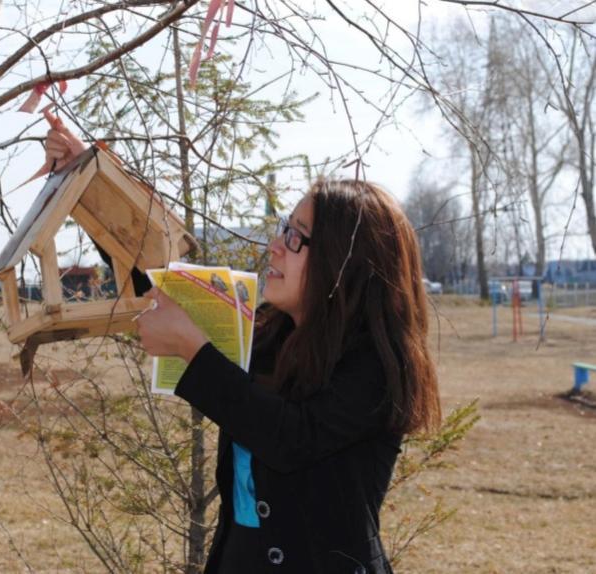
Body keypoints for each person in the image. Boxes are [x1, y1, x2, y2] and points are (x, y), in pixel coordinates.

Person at [43, 117, 441, 573]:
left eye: (296, 237)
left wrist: (196, 354)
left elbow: (291, 438)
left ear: (343, 263)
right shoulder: (270, 333)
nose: (275, 246)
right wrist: (86, 178)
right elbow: (155, 282)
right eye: (282, 229)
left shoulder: (377, 367)